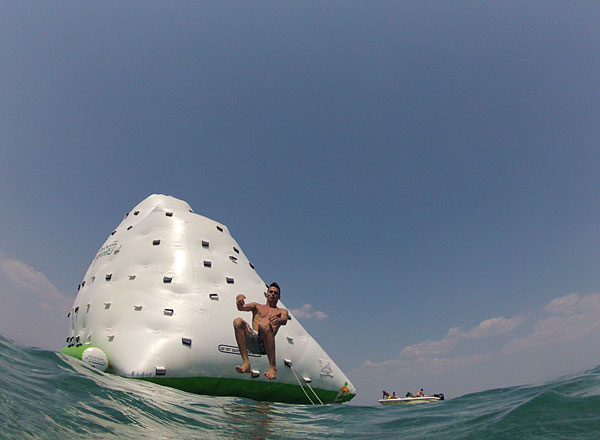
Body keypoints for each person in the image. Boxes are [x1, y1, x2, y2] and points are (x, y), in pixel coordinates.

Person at [233, 282, 289, 379]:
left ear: (279, 297)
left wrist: (278, 320)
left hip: (265, 345)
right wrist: (239, 299)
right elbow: (241, 308)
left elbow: (284, 320)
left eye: (275, 293)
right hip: (253, 339)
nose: (272, 294)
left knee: (264, 327)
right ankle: (246, 363)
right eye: (270, 292)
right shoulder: (257, 306)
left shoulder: (281, 311)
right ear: (266, 294)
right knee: (237, 321)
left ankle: (272, 367)